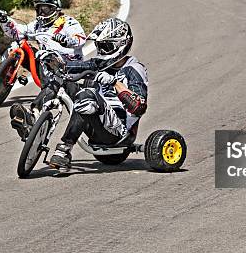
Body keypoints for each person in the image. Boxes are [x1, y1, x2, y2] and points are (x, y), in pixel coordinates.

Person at [10, 18, 148, 170]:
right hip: (97, 123)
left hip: (119, 132)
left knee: (87, 95)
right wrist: (50, 59)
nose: (101, 51)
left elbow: (139, 107)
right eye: (99, 46)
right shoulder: (101, 63)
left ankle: (64, 150)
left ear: (120, 45)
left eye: (105, 46)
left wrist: (114, 83)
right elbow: (70, 67)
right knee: (61, 80)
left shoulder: (134, 69)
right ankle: (33, 117)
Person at [0, 0, 86, 91]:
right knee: (17, 45)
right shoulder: (37, 25)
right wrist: (5, 21)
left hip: (68, 67)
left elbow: (81, 39)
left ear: (54, 9)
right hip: (46, 66)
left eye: (45, 9)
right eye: (39, 9)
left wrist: (67, 41)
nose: (41, 13)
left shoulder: (68, 22)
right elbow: (16, 33)